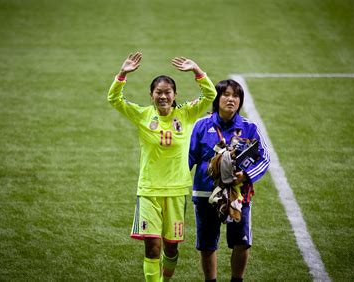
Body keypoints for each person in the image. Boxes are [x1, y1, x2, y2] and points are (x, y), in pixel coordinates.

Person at [108, 52, 217, 281]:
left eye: (168, 92)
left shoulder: (186, 113)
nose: (163, 96)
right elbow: (114, 100)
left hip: (177, 191)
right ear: (151, 95)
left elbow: (210, 94)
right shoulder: (142, 115)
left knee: (171, 248)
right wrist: (122, 74)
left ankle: (166, 278)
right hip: (149, 190)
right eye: (158, 92)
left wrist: (196, 70)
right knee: (152, 248)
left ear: (175, 94)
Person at [189, 79, 270, 281]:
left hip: (238, 195)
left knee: (242, 242)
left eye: (235, 96)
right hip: (206, 195)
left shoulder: (249, 127)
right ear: (217, 99)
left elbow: (265, 158)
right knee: (207, 245)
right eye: (226, 94)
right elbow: (187, 159)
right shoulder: (201, 126)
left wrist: (247, 175)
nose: (231, 99)